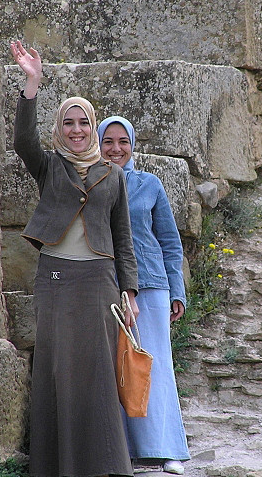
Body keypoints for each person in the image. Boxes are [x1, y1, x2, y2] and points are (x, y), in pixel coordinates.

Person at [10, 40, 140, 477]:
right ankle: (54, 467)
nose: (77, 130)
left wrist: (130, 291)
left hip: (100, 283)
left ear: (94, 127)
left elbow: (124, 238)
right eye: (69, 123)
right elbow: (22, 140)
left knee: (99, 376)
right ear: (60, 128)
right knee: (57, 372)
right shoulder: (48, 166)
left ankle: (104, 466)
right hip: (56, 280)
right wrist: (32, 83)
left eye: (84, 122)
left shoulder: (114, 174)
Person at [97, 116, 191, 475]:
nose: (116, 148)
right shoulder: (92, 183)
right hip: (106, 287)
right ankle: (126, 452)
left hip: (151, 287)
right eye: (108, 141)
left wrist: (176, 292)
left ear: (132, 145)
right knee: (116, 369)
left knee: (155, 367)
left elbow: (169, 241)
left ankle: (168, 450)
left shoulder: (149, 184)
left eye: (123, 141)